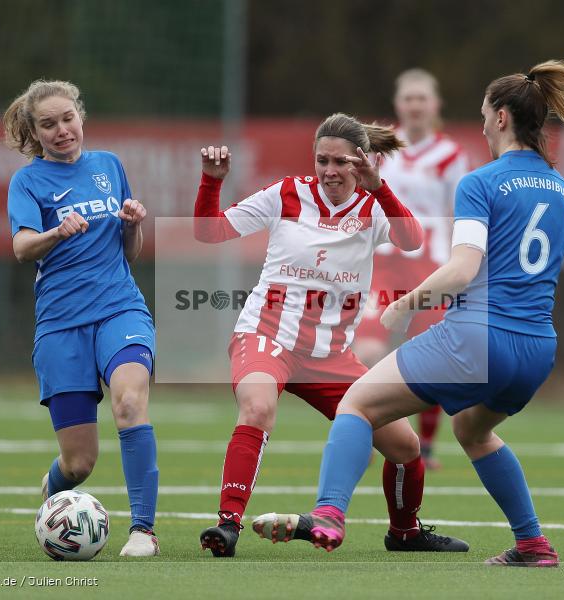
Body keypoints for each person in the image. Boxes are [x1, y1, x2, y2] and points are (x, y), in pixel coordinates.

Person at [251, 35, 564, 566]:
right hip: (537, 350)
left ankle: (330, 515)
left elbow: (463, 268)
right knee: (472, 430)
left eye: (482, 115)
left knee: (356, 402)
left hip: (478, 338)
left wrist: (406, 305)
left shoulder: (481, 182)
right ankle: (532, 543)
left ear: (500, 118)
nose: (479, 125)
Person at [192, 113, 469, 557]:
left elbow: (412, 239)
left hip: (331, 355)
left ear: (363, 163)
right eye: (322, 160)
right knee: (258, 407)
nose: (329, 171)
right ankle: (228, 525)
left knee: (405, 446)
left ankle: (405, 533)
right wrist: (211, 181)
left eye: (340, 162)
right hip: (268, 335)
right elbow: (209, 233)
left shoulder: (371, 205)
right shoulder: (286, 193)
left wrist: (380, 186)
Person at [4, 80, 160, 557]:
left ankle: (142, 532)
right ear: (35, 131)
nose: (62, 130)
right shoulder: (27, 181)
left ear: (81, 116)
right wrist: (54, 232)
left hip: (120, 309)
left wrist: (133, 224)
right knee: (78, 464)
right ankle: (53, 500)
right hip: (60, 325)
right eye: (48, 124)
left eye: (67, 118)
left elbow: (128, 253)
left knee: (130, 404)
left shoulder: (109, 166)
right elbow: (21, 246)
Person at [353, 69, 469, 470]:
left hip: (430, 266)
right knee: (367, 348)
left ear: (435, 105)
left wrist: (460, 263)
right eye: (409, 98)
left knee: (435, 354)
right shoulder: (380, 148)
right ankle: (363, 430)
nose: (416, 105)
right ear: (398, 103)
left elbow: (459, 213)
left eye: (423, 98)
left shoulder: (451, 155)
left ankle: (428, 445)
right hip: (384, 263)